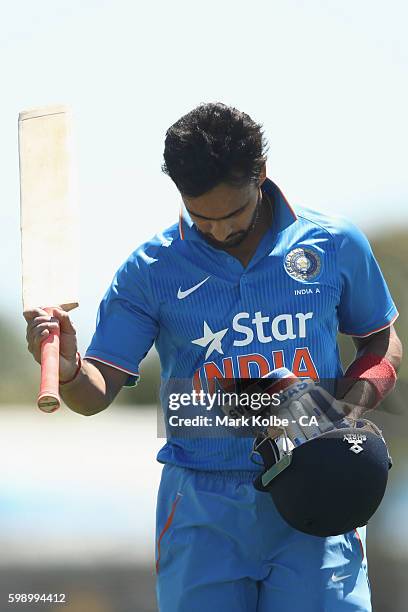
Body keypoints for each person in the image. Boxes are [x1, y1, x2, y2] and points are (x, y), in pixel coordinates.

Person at [24, 102, 402, 611]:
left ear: (261, 175)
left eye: (233, 215)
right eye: (202, 219)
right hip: (202, 509)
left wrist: (341, 417)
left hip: (315, 491)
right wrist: (69, 368)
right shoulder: (149, 270)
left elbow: (381, 342)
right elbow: (94, 395)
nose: (220, 232)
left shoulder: (333, 242)